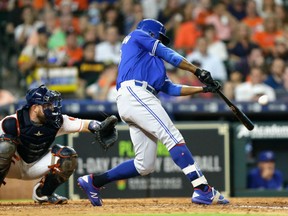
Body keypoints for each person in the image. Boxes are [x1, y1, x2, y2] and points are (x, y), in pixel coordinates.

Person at [77, 18, 229, 206]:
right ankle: (202, 189)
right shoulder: (138, 35)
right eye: (159, 38)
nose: (161, 42)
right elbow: (168, 54)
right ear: (152, 33)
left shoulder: (150, 62)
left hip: (134, 99)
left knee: (145, 165)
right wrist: (197, 71)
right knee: (173, 137)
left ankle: (94, 181)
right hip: (136, 93)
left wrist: (202, 89)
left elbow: (170, 88)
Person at [0, 84, 118, 204]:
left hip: (36, 165)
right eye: (47, 105)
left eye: (51, 104)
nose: (52, 108)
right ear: (35, 107)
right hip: (12, 166)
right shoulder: (12, 122)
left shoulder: (56, 121)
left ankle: (43, 193)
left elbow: (83, 124)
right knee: (5, 146)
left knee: (68, 156)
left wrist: (100, 126)